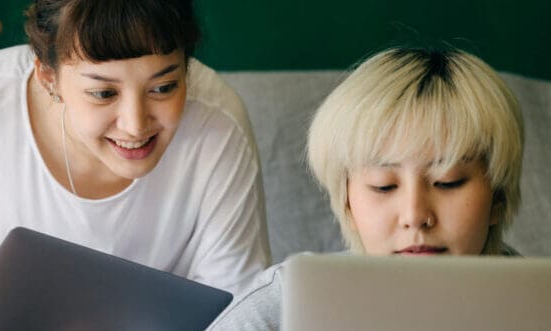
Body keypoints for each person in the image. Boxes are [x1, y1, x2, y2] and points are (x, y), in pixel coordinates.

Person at [0, 0, 271, 330]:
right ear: (48, 77)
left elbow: (236, 301)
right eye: (102, 93)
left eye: (164, 87)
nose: (135, 124)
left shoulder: (218, 126)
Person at [207, 46, 524, 330]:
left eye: (447, 182)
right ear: (346, 202)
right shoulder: (288, 303)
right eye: (384, 187)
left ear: (499, 196)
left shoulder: (543, 305)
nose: (414, 216)